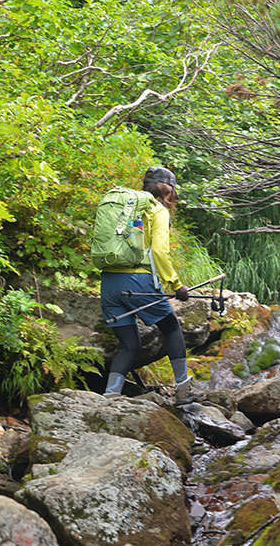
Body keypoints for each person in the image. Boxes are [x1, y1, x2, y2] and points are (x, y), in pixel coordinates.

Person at [100, 166, 193, 403]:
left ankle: (110, 396)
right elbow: (160, 251)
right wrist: (176, 284)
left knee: (130, 344)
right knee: (171, 326)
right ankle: (183, 390)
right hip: (136, 281)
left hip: (109, 281)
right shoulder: (156, 210)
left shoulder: (124, 206)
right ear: (168, 189)